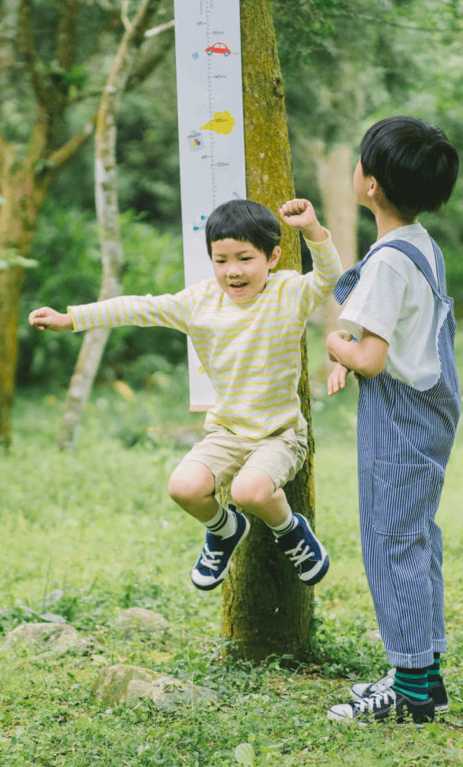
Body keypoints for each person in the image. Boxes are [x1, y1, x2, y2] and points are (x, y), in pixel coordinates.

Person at [28, 198, 342, 592]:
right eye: (221, 260)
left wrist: (312, 228)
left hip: (279, 435)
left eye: (245, 258)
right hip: (227, 432)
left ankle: (290, 530)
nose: (232, 271)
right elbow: (137, 308)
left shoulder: (288, 293)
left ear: (272, 257)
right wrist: (71, 318)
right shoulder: (199, 302)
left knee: (249, 491)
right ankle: (225, 529)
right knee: (183, 487)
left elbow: (329, 277)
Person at [323, 116, 460, 726]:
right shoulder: (420, 244)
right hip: (429, 413)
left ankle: (409, 693)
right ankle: (425, 677)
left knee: (393, 546)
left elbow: (373, 358)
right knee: (416, 541)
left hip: (398, 420)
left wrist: (337, 346)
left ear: (371, 184)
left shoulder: (387, 263)